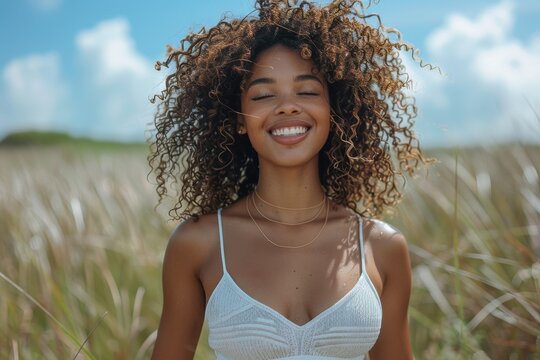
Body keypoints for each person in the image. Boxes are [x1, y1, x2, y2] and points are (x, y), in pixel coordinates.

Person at [149, 0, 427, 359]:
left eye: (308, 91)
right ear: (237, 119)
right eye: (264, 95)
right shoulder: (198, 243)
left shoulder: (382, 247)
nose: (287, 106)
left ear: (334, 110)